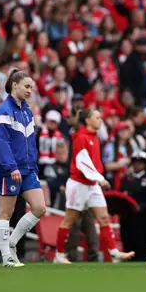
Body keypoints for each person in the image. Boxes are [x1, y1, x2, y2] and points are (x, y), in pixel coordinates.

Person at [54, 108, 134, 264]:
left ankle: (114, 252)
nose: (100, 120)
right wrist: (100, 178)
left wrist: (97, 179)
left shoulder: (94, 138)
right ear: (87, 120)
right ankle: (59, 254)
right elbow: (83, 163)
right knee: (70, 220)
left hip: (92, 184)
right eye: (97, 117)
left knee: (104, 217)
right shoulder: (81, 138)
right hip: (78, 184)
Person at [0, 69, 46, 267]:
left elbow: (30, 143)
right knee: (6, 212)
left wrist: (33, 166)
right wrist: (11, 166)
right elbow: (1, 143)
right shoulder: (3, 111)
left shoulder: (26, 111)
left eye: (31, 87)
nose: (30, 91)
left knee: (40, 208)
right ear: (15, 86)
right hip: (10, 169)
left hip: (27, 168)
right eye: (27, 86)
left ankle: (11, 243)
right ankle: (6, 257)